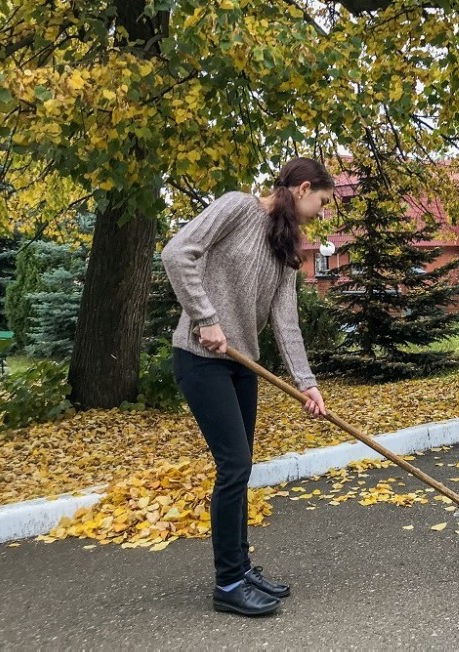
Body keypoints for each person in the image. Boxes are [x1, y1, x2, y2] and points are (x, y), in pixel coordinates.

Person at [161, 157, 333, 617]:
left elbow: (285, 319)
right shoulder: (238, 207)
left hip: (242, 366)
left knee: (241, 469)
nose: (321, 212)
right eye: (321, 201)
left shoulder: (286, 242)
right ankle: (229, 583)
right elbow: (177, 253)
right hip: (201, 359)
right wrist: (205, 317)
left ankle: (241, 567)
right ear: (302, 189)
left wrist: (306, 383)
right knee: (234, 465)